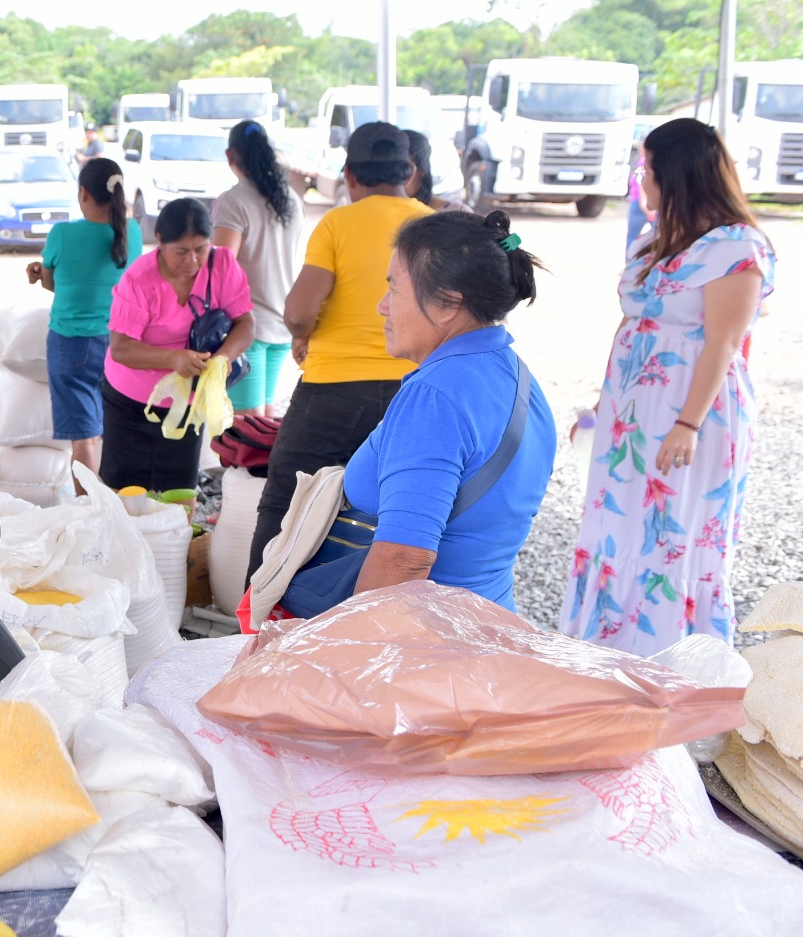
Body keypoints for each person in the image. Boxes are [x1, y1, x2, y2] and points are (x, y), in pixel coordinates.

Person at [562, 118, 775, 655]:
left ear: (677, 175)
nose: (641, 179)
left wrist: (687, 424)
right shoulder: (651, 241)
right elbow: (632, 325)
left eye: (648, 169)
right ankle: (612, 655)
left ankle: (674, 664)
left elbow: (723, 342)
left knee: (674, 533)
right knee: (619, 527)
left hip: (693, 411)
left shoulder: (737, 247)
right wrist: (603, 407)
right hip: (633, 413)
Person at [247, 122, 432, 581]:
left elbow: (298, 313)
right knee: (394, 515)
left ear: (349, 176)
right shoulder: (431, 226)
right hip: (414, 388)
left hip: (333, 391)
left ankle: (261, 616)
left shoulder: (337, 223)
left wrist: (302, 333)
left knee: (288, 504)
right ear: (408, 172)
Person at [345, 210, 555, 610]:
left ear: (447, 303)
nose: (382, 307)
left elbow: (404, 559)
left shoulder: (435, 396)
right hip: (490, 616)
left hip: (428, 633)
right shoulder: (517, 376)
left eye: (394, 289)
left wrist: (350, 642)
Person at [102, 197, 254, 492]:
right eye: (181, 251)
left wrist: (222, 359)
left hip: (187, 401)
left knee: (179, 488)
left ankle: (179, 525)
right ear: (159, 240)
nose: (192, 261)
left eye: (201, 249)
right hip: (130, 402)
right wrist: (173, 359)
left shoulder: (222, 264)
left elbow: (246, 324)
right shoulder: (139, 279)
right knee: (126, 491)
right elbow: (121, 348)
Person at [25, 157, 141, 480]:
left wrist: (39, 274)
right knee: (114, 429)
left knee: (84, 438)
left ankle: (89, 507)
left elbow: (52, 284)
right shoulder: (132, 232)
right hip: (120, 343)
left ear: (84, 193)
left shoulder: (63, 233)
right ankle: (119, 500)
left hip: (70, 344)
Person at [211, 119, 304, 416]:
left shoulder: (235, 200)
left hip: (247, 326)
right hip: (281, 321)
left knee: (246, 423)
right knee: (264, 417)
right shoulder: (291, 199)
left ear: (230, 156)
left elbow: (222, 265)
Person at [404, 130, 471, 213]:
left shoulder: (456, 213)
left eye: (403, 167)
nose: (394, 174)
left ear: (421, 169)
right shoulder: (390, 208)